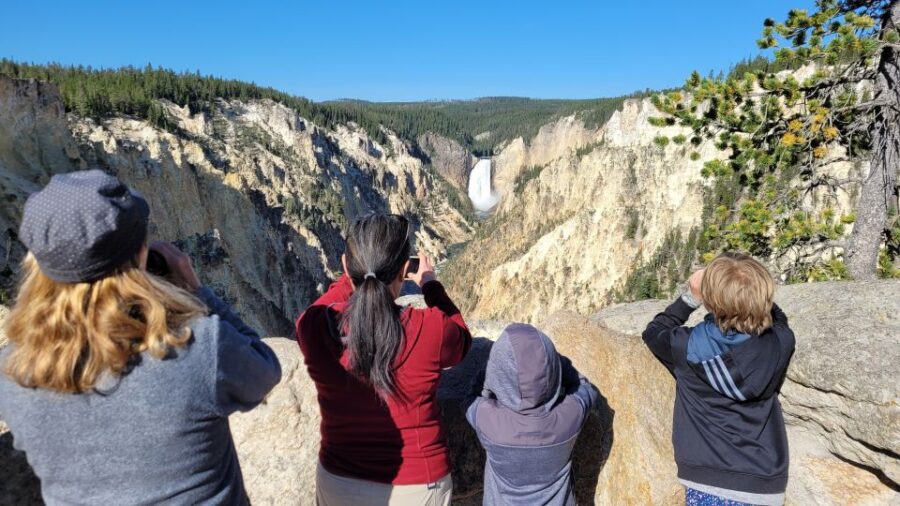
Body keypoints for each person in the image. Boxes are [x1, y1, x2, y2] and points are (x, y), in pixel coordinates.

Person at [0, 170, 282, 506]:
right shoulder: (195, 347)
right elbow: (265, 371)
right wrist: (195, 291)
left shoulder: (12, 371)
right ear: (141, 255)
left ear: (38, 261)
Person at [296, 213, 472, 506]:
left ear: (345, 265)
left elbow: (315, 311)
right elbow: (462, 337)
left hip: (339, 480)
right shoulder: (431, 329)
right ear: (405, 270)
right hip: (418, 487)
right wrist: (429, 283)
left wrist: (354, 278)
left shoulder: (315, 327)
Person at [642, 252, 796, 506]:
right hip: (765, 482)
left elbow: (654, 331)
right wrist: (750, 293)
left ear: (711, 302)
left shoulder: (686, 347)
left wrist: (691, 297)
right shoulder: (781, 341)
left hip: (709, 480)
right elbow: (780, 320)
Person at [464, 323, 597, 506]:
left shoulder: (488, 421)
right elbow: (585, 386)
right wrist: (556, 364)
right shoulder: (569, 418)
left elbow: (472, 396)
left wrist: (491, 373)